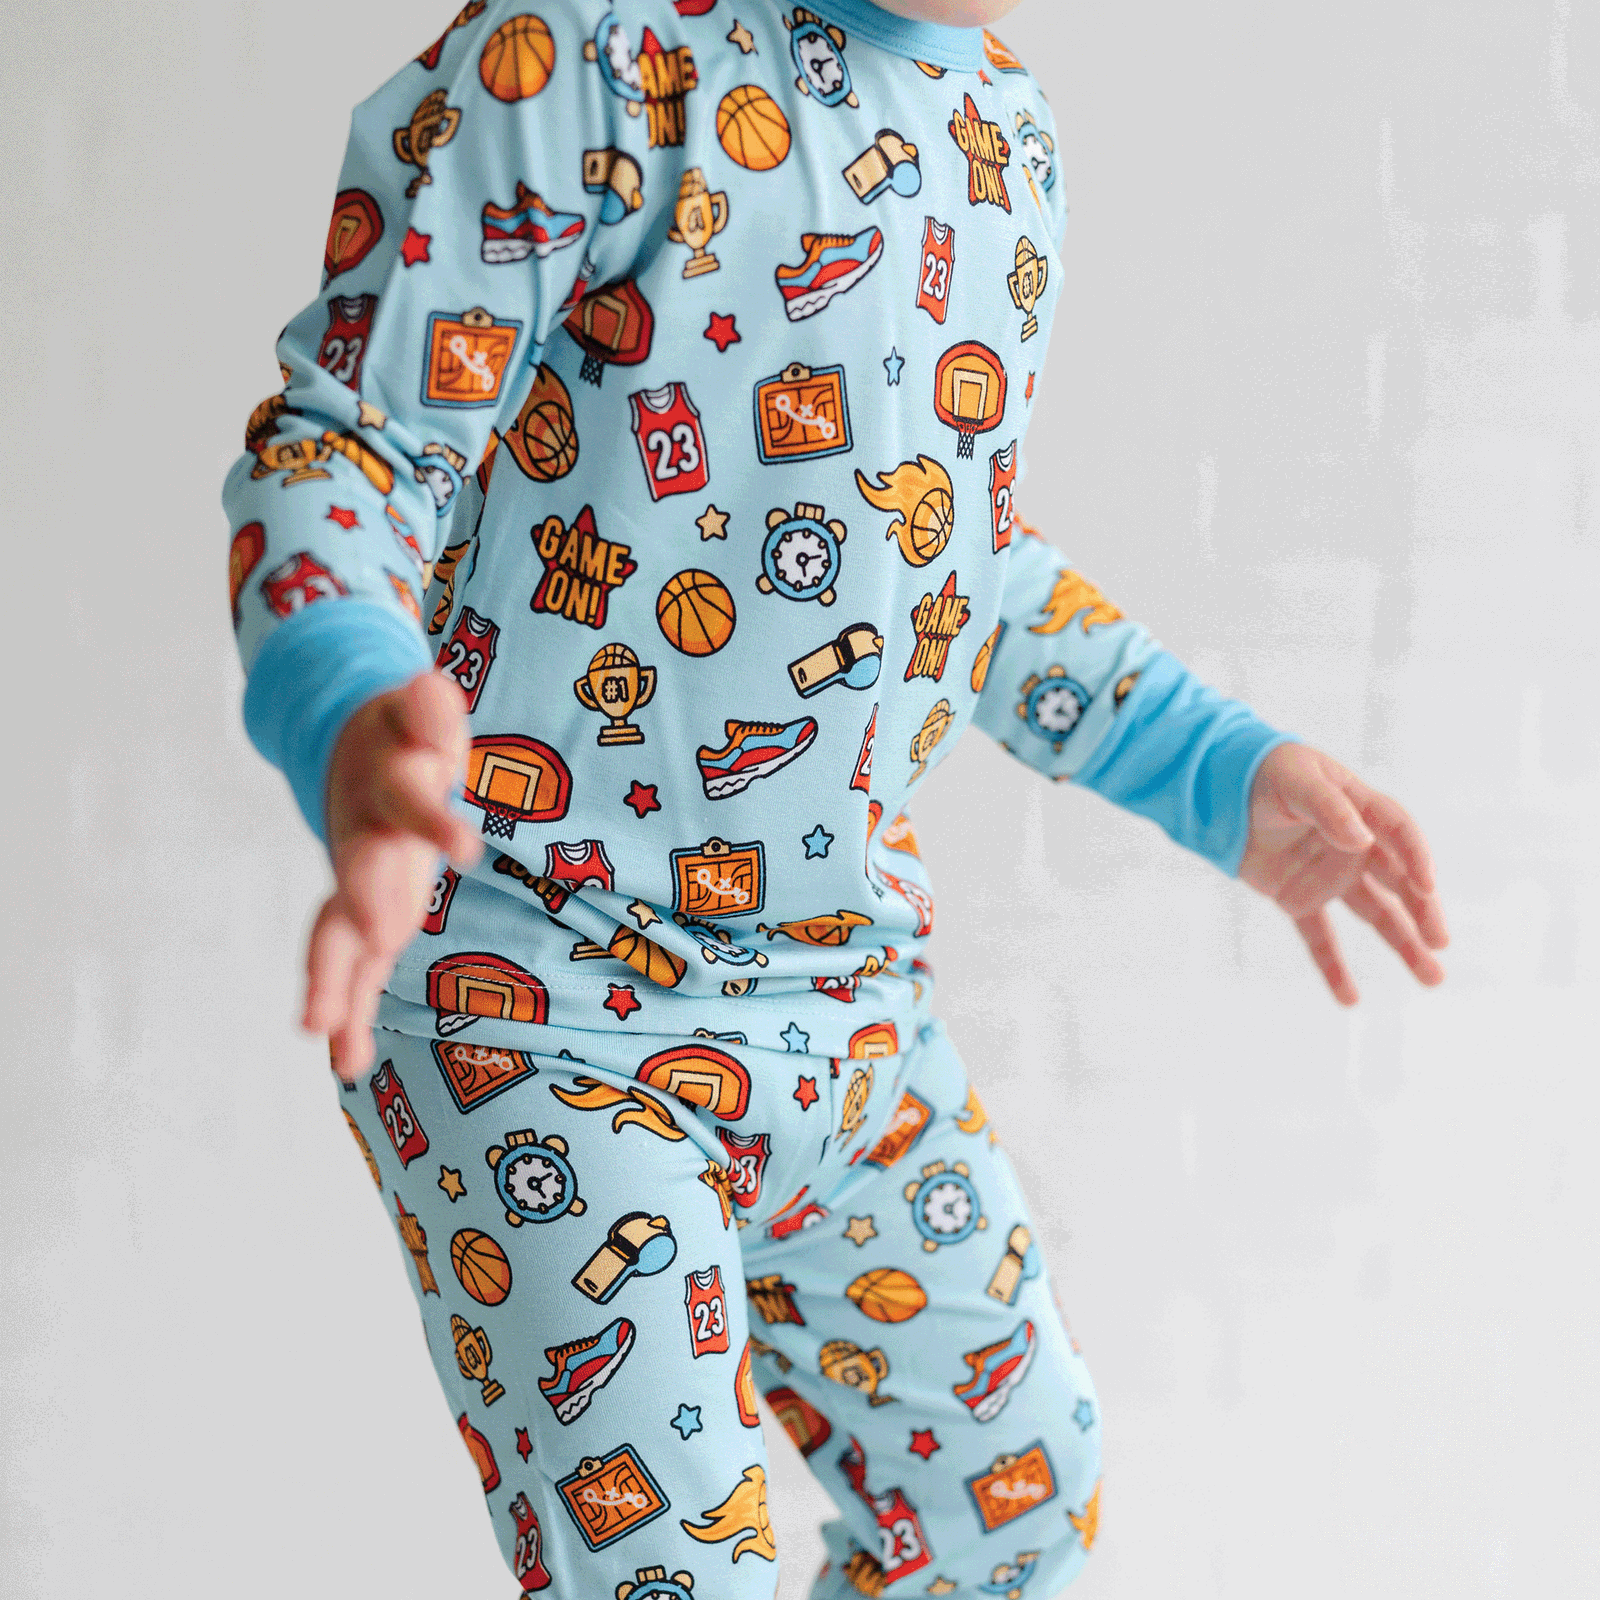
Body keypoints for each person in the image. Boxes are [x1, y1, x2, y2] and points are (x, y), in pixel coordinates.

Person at [222, 0, 1449, 1593]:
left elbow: (951, 552)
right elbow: (352, 447)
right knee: (681, 1571)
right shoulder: (584, 54)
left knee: (1010, 1507)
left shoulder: (1004, 133)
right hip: (537, 998)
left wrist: (1210, 762)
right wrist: (349, 715)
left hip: (849, 1014)